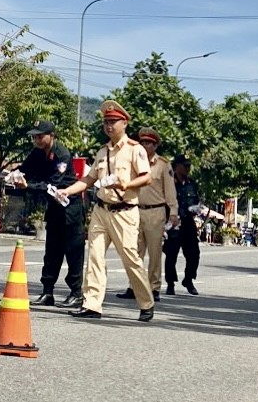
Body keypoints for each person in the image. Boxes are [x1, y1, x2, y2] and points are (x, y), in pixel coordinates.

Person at [58, 100, 156, 322]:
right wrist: (68, 191)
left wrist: (125, 184)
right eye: (106, 122)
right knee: (94, 257)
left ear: (124, 123)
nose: (109, 126)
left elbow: (146, 177)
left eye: (113, 122)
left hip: (125, 211)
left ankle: (146, 302)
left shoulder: (135, 149)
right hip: (102, 210)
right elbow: (90, 179)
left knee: (131, 258)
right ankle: (92, 304)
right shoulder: (102, 152)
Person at [14, 120, 85, 309]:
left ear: (51, 135)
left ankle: (76, 293)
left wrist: (27, 185)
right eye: (34, 136)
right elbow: (25, 169)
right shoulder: (37, 153)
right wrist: (14, 176)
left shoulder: (62, 154)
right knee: (52, 250)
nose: (36, 139)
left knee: (73, 252)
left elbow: (53, 184)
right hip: (54, 207)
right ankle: (47, 291)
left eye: (40, 136)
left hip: (70, 207)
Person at [116, 127, 178, 303]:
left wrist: (173, 212)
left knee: (154, 252)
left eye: (149, 143)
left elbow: (170, 192)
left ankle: (154, 287)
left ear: (155, 145)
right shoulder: (134, 161)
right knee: (133, 251)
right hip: (134, 209)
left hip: (155, 211)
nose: (145, 145)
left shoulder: (162, 165)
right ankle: (133, 286)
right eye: (142, 142)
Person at [164, 154, 201, 296]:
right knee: (171, 254)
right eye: (185, 166)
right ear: (177, 166)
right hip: (173, 222)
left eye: (189, 166)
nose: (187, 168)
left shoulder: (192, 184)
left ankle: (189, 279)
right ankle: (170, 283)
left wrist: (196, 208)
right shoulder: (170, 183)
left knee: (194, 254)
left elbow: (196, 201)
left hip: (188, 222)